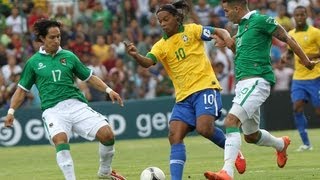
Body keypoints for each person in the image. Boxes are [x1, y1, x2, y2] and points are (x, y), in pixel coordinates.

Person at [125, 1, 246, 180]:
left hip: (205, 88)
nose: (163, 24)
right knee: (174, 135)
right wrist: (136, 56)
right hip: (183, 98)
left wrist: (227, 39)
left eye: (166, 19)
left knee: (204, 128)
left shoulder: (192, 30)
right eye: (160, 21)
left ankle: (234, 151)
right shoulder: (161, 45)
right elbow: (148, 62)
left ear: (177, 18)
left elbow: (217, 31)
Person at [204, 1, 319, 179]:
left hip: (257, 81)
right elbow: (242, 53)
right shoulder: (241, 28)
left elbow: (288, 38)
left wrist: (305, 61)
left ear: (237, 8)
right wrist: (229, 43)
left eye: (226, 11)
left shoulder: (261, 20)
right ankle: (281, 144)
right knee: (251, 135)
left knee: (230, 122)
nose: (225, 14)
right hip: (244, 85)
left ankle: (227, 172)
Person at [4, 19, 126, 180]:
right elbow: (21, 91)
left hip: (76, 105)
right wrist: (11, 111)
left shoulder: (69, 56)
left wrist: (109, 90)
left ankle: (105, 171)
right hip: (53, 110)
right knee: (60, 139)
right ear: (42, 38)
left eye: (59, 37)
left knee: (108, 134)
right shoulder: (33, 62)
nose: (56, 40)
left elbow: (89, 77)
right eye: (52, 37)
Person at [286, 6, 320, 152]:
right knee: (297, 107)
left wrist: (310, 57)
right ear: (293, 17)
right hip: (298, 78)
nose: (299, 17)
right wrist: (284, 57)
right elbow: (289, 51)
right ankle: (306, 143)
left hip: (315, 77)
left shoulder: (315, 33)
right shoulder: (290, 33)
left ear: (307, 15)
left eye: (302, 15)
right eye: (297, 15)